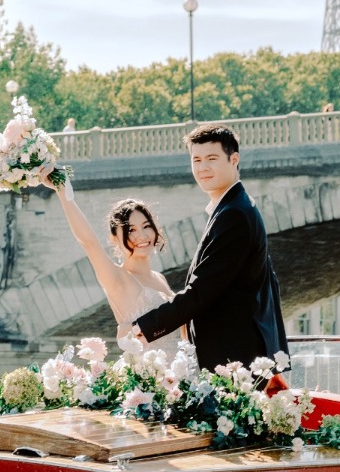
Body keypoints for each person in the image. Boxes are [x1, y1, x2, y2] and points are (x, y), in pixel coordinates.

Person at [128, 122, 288, 373]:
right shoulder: (237, 207)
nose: (202, 168)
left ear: (234, 159)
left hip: (233, 360)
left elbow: (202, 292)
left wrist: (144, 327)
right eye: (196, 160)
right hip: (237, 355)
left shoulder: (234, 215)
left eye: (211, 159)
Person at [42, 171, 184, 359]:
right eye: (131, 230)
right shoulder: (117, 278)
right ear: (114, 238)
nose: (141, 235)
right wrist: (62, 190)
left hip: (182, 377)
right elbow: (89, 242)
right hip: (151, 380)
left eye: (146, 226)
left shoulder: (160, 278)